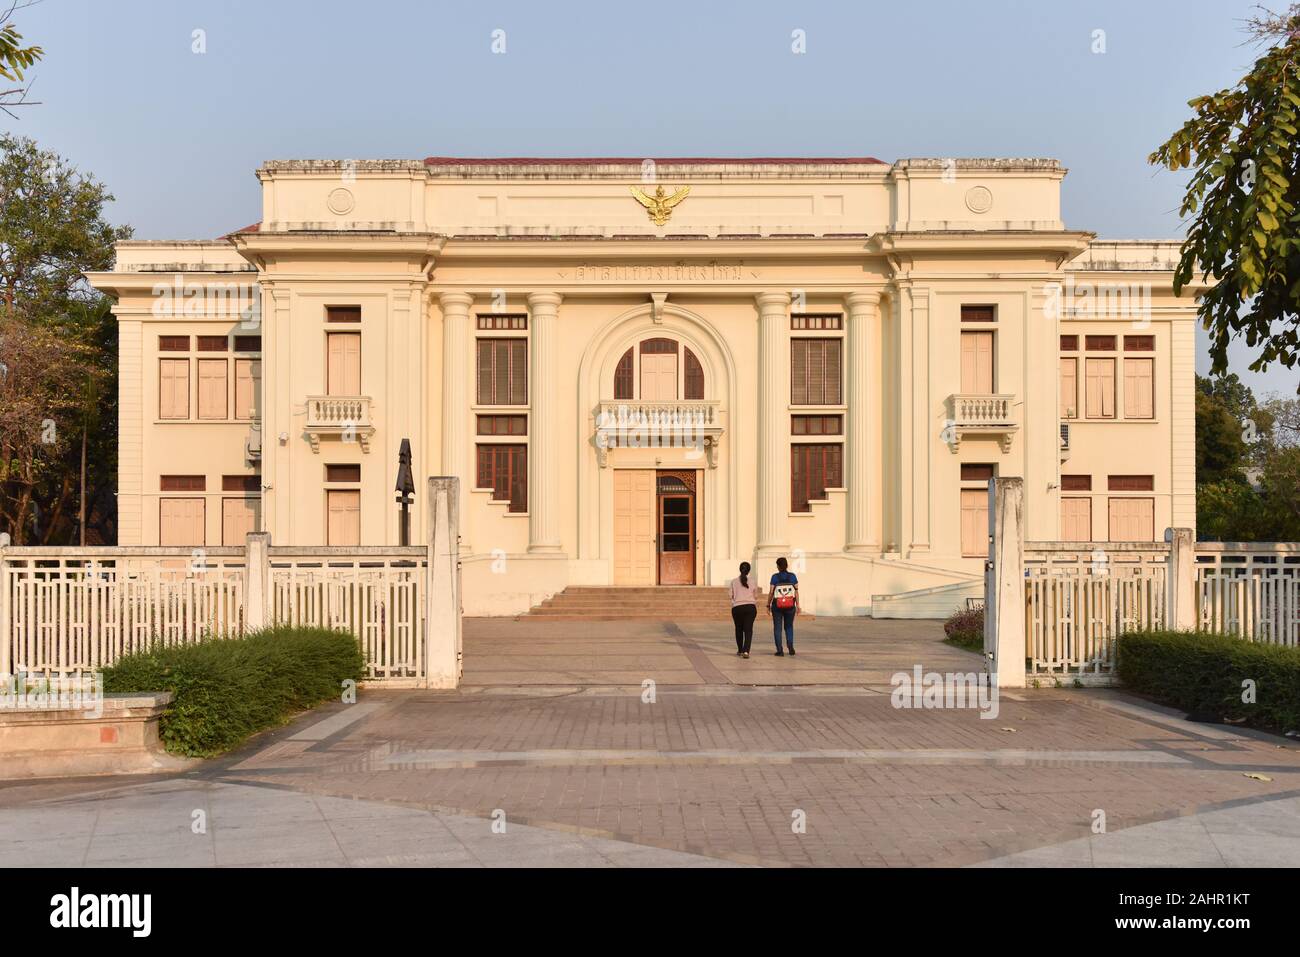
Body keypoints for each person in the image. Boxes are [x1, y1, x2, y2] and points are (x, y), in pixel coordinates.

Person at [767, 557, 799, 656]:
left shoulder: (774, 577)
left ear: (777, 566)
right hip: (790, 605)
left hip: (777, 606)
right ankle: (790, 646)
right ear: (787, 565)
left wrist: (768, 604)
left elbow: (771, 592)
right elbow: (796, 592)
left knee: (777, 628)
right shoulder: (792, 576)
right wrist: (798, 605)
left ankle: (780, 650)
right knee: (789, 626)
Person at [729, 561, 760, 658]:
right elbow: (756, 596)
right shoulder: (753, 581)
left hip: (737, 608)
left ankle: (740, 650)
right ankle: (746, 651)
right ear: (749, 571)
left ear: (740, 569)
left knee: (738, 629)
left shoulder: (734, 581)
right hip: (750, 608)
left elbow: (730, 595)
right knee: (748, 629)